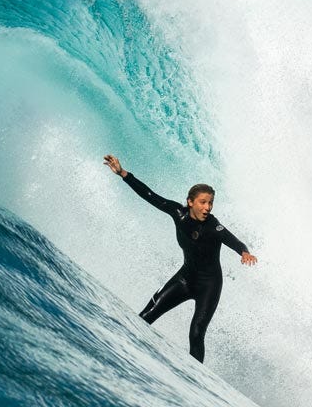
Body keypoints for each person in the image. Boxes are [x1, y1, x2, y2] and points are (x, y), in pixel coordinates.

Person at [104, 154, 257, 363]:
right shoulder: (178, 213)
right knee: (148, 314)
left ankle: (197, 380)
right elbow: (150, 195)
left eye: (210, 203)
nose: (208, 208)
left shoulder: (214, 227)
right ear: (190, 202)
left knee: (196, 333)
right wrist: (123, 174)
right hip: (185, 279)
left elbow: (233, 240)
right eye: (203, 202)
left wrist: (244, 252)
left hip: (209, 286)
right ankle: (118, 349)